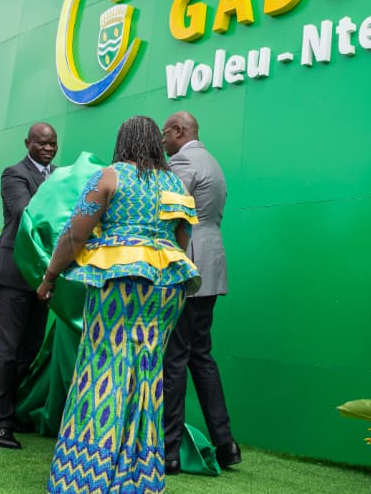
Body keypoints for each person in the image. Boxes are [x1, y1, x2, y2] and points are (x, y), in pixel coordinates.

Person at [36, 115, 200, 493]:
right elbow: (181, 237)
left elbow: (75, 235)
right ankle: (137, 477)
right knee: (145, 372)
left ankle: (85, 476)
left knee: (103, 367)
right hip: (165, 287)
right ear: (155, 144)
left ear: (122, 141)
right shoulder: (173, 182)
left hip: (118, 283)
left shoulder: (108, 176)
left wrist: (49, 277)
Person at [160, 112, 242, 473]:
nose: (162, 142)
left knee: (175, 358)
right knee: (200, 355)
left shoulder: (181, 162)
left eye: (165, 134)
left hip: (186, 266)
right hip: (212, 265)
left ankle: (168, 451)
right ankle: (226, 444)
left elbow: (167, 214)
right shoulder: (213, 162)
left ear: (179, 131)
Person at [0, 122, 58, 449]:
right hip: (13, 274)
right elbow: (24, 212)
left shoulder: (58, 175)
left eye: (53, 143)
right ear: (28, 143)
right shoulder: (14, 173)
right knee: (7, 350)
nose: (48, 148)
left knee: (29, 349)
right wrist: (62, 196)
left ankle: (5, 411)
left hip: (42, 276)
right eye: (42, 143)